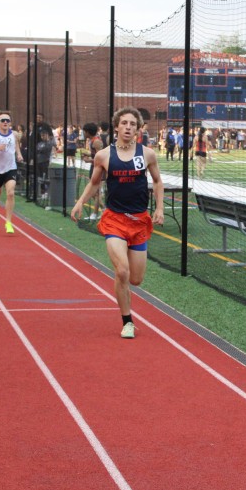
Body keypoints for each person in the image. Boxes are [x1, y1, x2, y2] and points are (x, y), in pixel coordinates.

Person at [71, 107, 164, 339]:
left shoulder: (148, 154)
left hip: (139, 221)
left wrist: (160, 208)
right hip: (114, 220)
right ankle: (127, 321)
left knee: (136, 279)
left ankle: (124, 288)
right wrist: (80, 202)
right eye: (124, 123)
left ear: (138, 129)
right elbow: (94, 183)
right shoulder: (104, 155)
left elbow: (157, 181)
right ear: (116, 127)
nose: (128, 127)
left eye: (132, 124)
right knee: (122, 271)